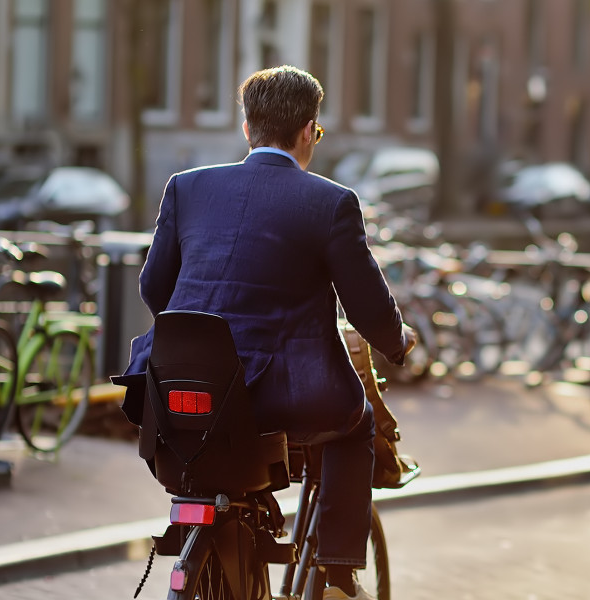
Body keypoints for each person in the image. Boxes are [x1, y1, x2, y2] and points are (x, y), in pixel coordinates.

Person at [125, 65, 413, 600]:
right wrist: (398, 344)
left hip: (178, 388)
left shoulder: (186, 188)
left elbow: (155, 289)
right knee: (356, 422)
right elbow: (368, 307)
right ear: (308, 132)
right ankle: (337, 572)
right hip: (279, 396)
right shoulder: (331, 203)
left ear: (247, 129)